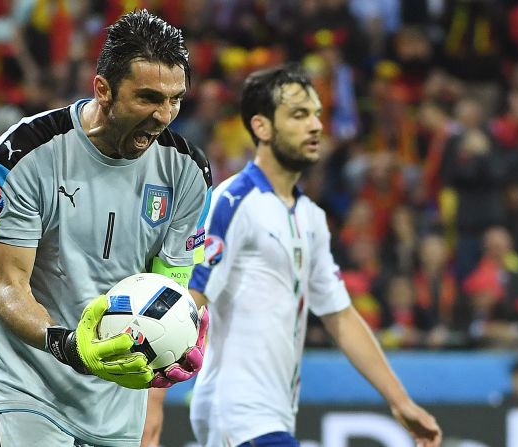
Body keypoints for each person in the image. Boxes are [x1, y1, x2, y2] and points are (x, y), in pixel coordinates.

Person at [0, 10, 211, 447]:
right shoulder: (24, 154)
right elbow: (8, 286)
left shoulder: (188, 173)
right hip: (27, 388)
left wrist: (181, 332)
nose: (164, 115)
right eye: (148, 98)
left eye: (175, 99)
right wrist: (68, 346)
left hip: (118, 404)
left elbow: (169, 287)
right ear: (103, 89)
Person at [186, 65, 442, 447]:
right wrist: (152, 400)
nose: (316, 125)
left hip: (274, 414)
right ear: (262, 127)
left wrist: (401, 401)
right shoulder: (234, 201)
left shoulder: (311, 217)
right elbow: (190, 301)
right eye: (299, 114)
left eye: (317, 114)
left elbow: (339, 315)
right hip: (236, 412)